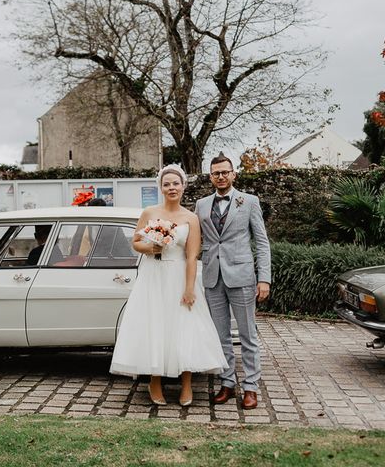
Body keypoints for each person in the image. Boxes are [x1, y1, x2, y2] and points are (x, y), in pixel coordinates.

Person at [110, 165, 227, 406]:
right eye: (166, 184)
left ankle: (186, 384)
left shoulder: (190, 218)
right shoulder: (150, 212)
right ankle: (155, 381)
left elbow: (192, 255)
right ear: (161, 188)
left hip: (179, 275)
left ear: (183, 186)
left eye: (175, 183)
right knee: (155, 325)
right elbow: (135, 242)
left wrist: (189, 288)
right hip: (153, 274)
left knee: (183, 327)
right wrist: (151, 247)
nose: (171, 187)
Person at [195, 152, 271, 410]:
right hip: (212, 277)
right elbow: (198, 241)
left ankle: (251, 387)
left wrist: (265, 279)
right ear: (210, 177)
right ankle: (227, 383)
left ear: (233, 174)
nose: (221, 176)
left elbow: (261, 242)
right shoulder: (201, 205)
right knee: (221, 336)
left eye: (225, 172)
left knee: (248, 335)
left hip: (242, 277)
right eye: (216, 173)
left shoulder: (248, 202)